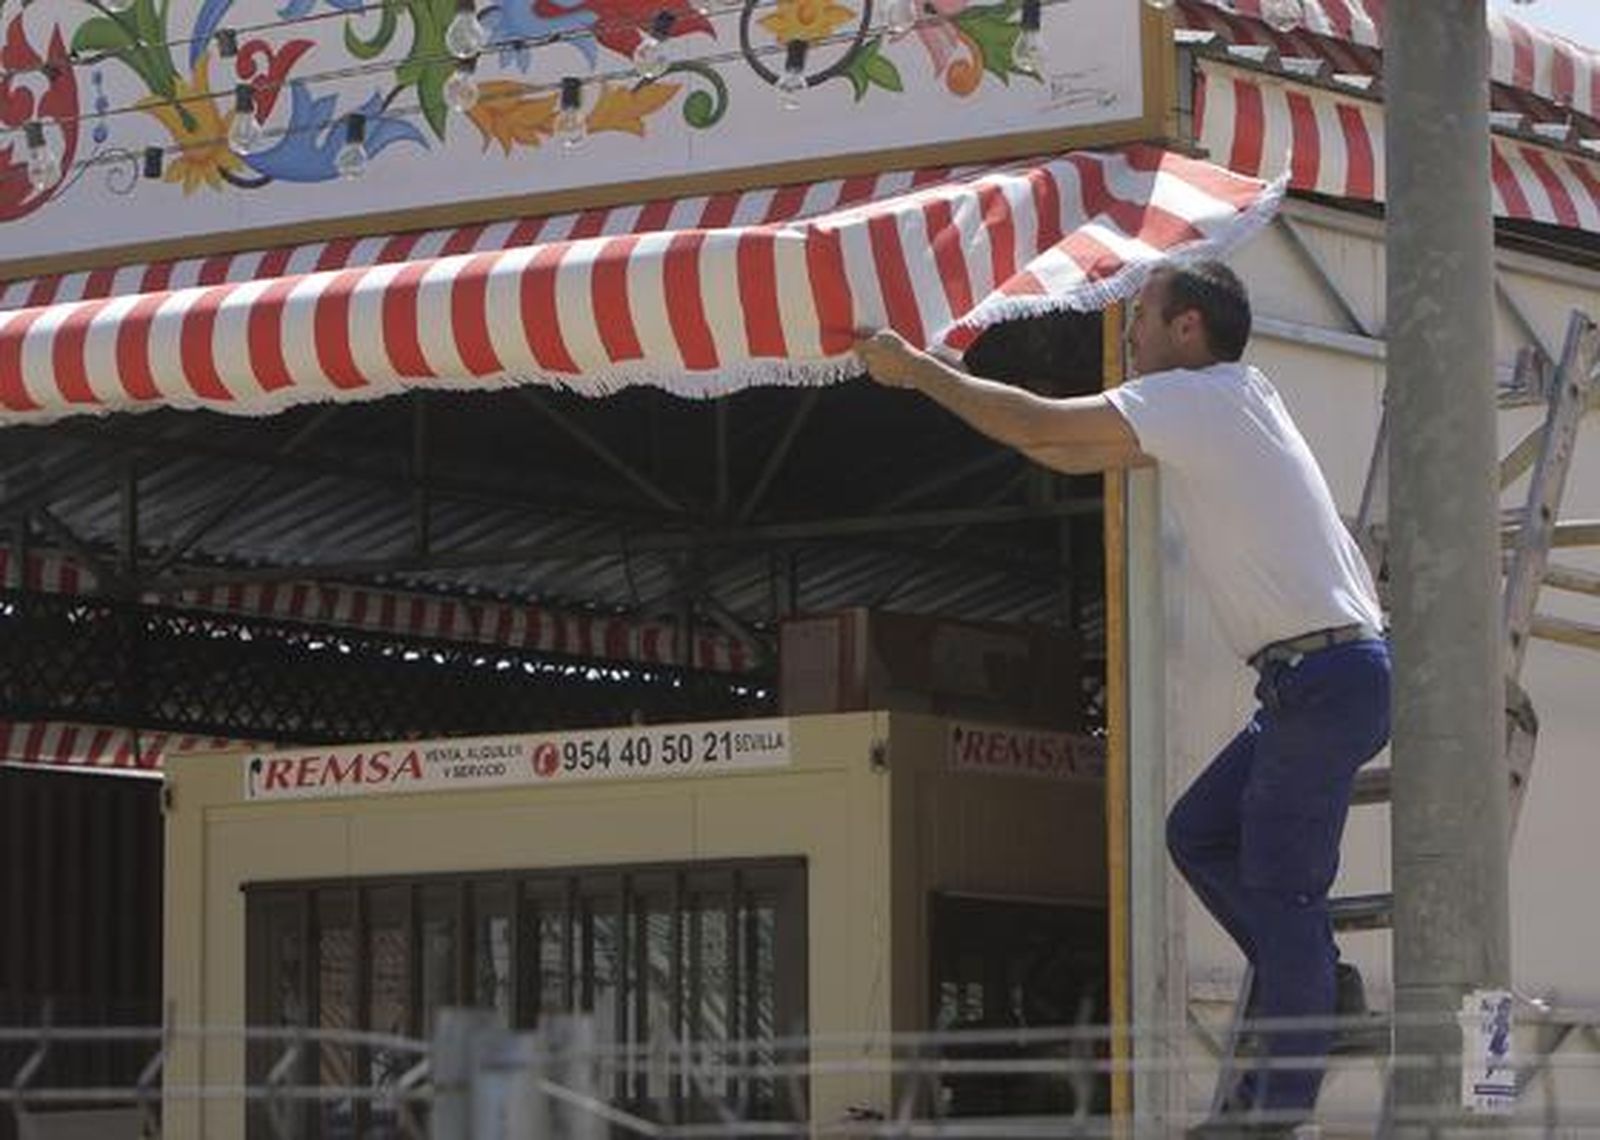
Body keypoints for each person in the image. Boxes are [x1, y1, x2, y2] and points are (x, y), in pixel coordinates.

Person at [854, 259, 1391, 1137]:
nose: (1128, 335)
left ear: (1188, 328)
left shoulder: (1199, 396)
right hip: (1318, 678)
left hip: (1323, 680)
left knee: (1284, 895)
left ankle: (1277, 1111)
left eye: (1141, 317)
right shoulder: (1236, 395)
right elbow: (1070, 444)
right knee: (1200, 832)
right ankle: (1317, 980)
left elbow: (1051, 436)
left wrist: (921, 373)